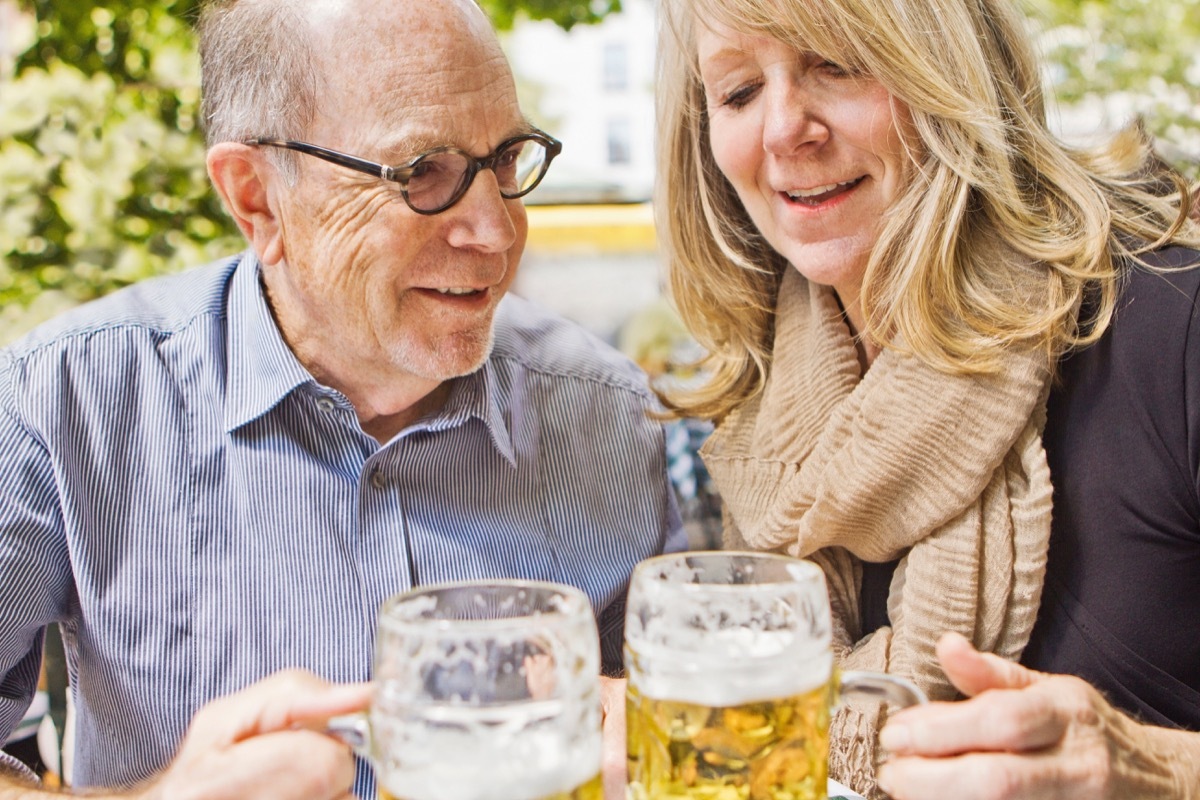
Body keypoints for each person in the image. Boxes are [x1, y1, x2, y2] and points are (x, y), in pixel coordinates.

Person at [0, 0, 684, 797]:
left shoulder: (613, 414)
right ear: (256, 198)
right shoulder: (63, 404)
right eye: (422, 172)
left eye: (503, 160)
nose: (496, 233)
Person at [653, 0, 1200, 795]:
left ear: (950, 69)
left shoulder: (1171, 322)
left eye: (834, 62)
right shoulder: (758, 402)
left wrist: (1154, 769)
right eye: (737, 93)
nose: (781, 129)